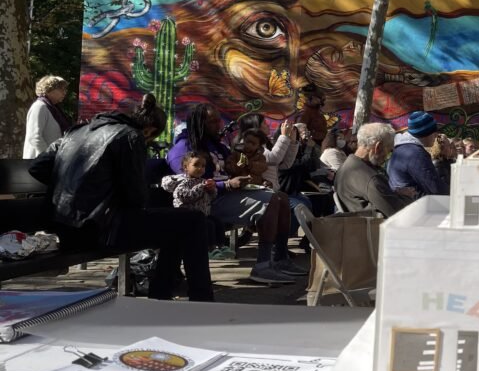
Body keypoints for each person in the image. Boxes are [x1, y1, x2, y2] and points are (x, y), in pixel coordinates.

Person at [32, 95, 214, 301]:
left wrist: (73, 182)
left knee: (177, 224)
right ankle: (200, 299)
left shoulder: (76, 131)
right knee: (193, 220)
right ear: (149, 130)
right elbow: (136, 197)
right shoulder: (131, 136)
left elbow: (37, 167)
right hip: (99, 229)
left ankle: (161, 296)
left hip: (65, 229)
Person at [166, 104, 305, 285]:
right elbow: (188, 183)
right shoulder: (184, 148)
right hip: (206, 202)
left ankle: (280, 257)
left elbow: (235, 166)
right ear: (199, 123)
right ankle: (262, 266)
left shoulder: (217, 145)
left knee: (281, 198)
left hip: (227, 194)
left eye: (218, 120)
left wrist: (251, 178)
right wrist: (226, 184)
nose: (218, 125)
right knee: (271, 200)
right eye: (213, 121)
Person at [160, 151, 232, 260]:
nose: (200, 168)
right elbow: (184, 196)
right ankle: (210, 249)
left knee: (218, 222)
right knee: (208, 225)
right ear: (186, 167)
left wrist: (211, 190)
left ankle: (222, 246)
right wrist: (200, 188)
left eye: (203, 166)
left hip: (202, 214)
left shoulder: (202, 181)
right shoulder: (184, 182)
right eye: (196, 165)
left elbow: (211, 197)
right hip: (187, 215)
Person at [336, 123, 414, 218]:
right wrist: (408, 196)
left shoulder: (345, 167)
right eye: (389, 150)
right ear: (378, 147)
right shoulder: (371, 179)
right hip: (375, 225)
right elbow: (399, 214)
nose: (387, 156)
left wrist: (395, 193)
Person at [388, 111, 447, 197]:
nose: (436, 135)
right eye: (434, 132)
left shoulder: (400, 149)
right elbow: (436, 189)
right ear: (425, 133)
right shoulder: (416, 154)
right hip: (416, 204)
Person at [23, 75, 71, 158]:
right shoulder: (39, 107)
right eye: (61, 89)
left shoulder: (54, 108)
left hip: (51, 160)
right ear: (48, 90)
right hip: (39, 160)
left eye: (65, 89)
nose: (64, 92)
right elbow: (34, 137)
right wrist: (48, 156)